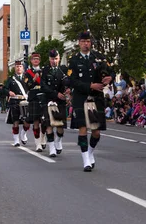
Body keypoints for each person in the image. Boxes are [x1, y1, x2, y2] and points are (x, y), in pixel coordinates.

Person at [68, 31, 115, 172]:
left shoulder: (99, 58)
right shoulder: (74, 60)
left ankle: (89, 151)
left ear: (90, 43)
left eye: (88, 41)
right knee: (82, 128)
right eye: (83, 41)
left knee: (96, 132)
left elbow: (111, 71)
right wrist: (89, 86)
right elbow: (72, 81)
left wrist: (110, 78)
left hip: (97, 97)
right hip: (81, 98)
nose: (85, 44)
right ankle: (85, 160)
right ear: (79, 43)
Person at [40, 49, 69, 157]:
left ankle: (58, 140)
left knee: (60, 126)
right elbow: (43, 86)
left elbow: (70, 82)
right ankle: (51, 147)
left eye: (56, 59)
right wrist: (55, 94)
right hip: (48, 100)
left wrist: (68, 90)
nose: (54, 61)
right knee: (49, 125)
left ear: (59, 58)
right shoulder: (45, 70)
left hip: (60, 101)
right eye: (52, 59)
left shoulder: (64, 70)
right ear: (49, 59)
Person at [0, 60, 32, 147]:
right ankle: (16, 140)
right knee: (16, 121)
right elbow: (3, 89)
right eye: (17, 67)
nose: (18, 68)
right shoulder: (11, 79)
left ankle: (23, 133)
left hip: (25, 101)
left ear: (23, 68)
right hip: (14, 101)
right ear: (15, 68)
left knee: (27, 121)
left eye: (20, 66)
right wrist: (9, 92)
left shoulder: (27, 78)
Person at [25, 53, 45, 151]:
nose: (36, 60)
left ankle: (43, 138)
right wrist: (34, 78)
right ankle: (38, 144)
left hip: (44, 96)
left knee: (45, 121)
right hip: (34, 97)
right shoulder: (28, 72)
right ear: (31, 61)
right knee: (36, 120)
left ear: (39, 60)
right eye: (34, 59)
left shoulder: (44, 70)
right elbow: (27, 86)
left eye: (37, 59)